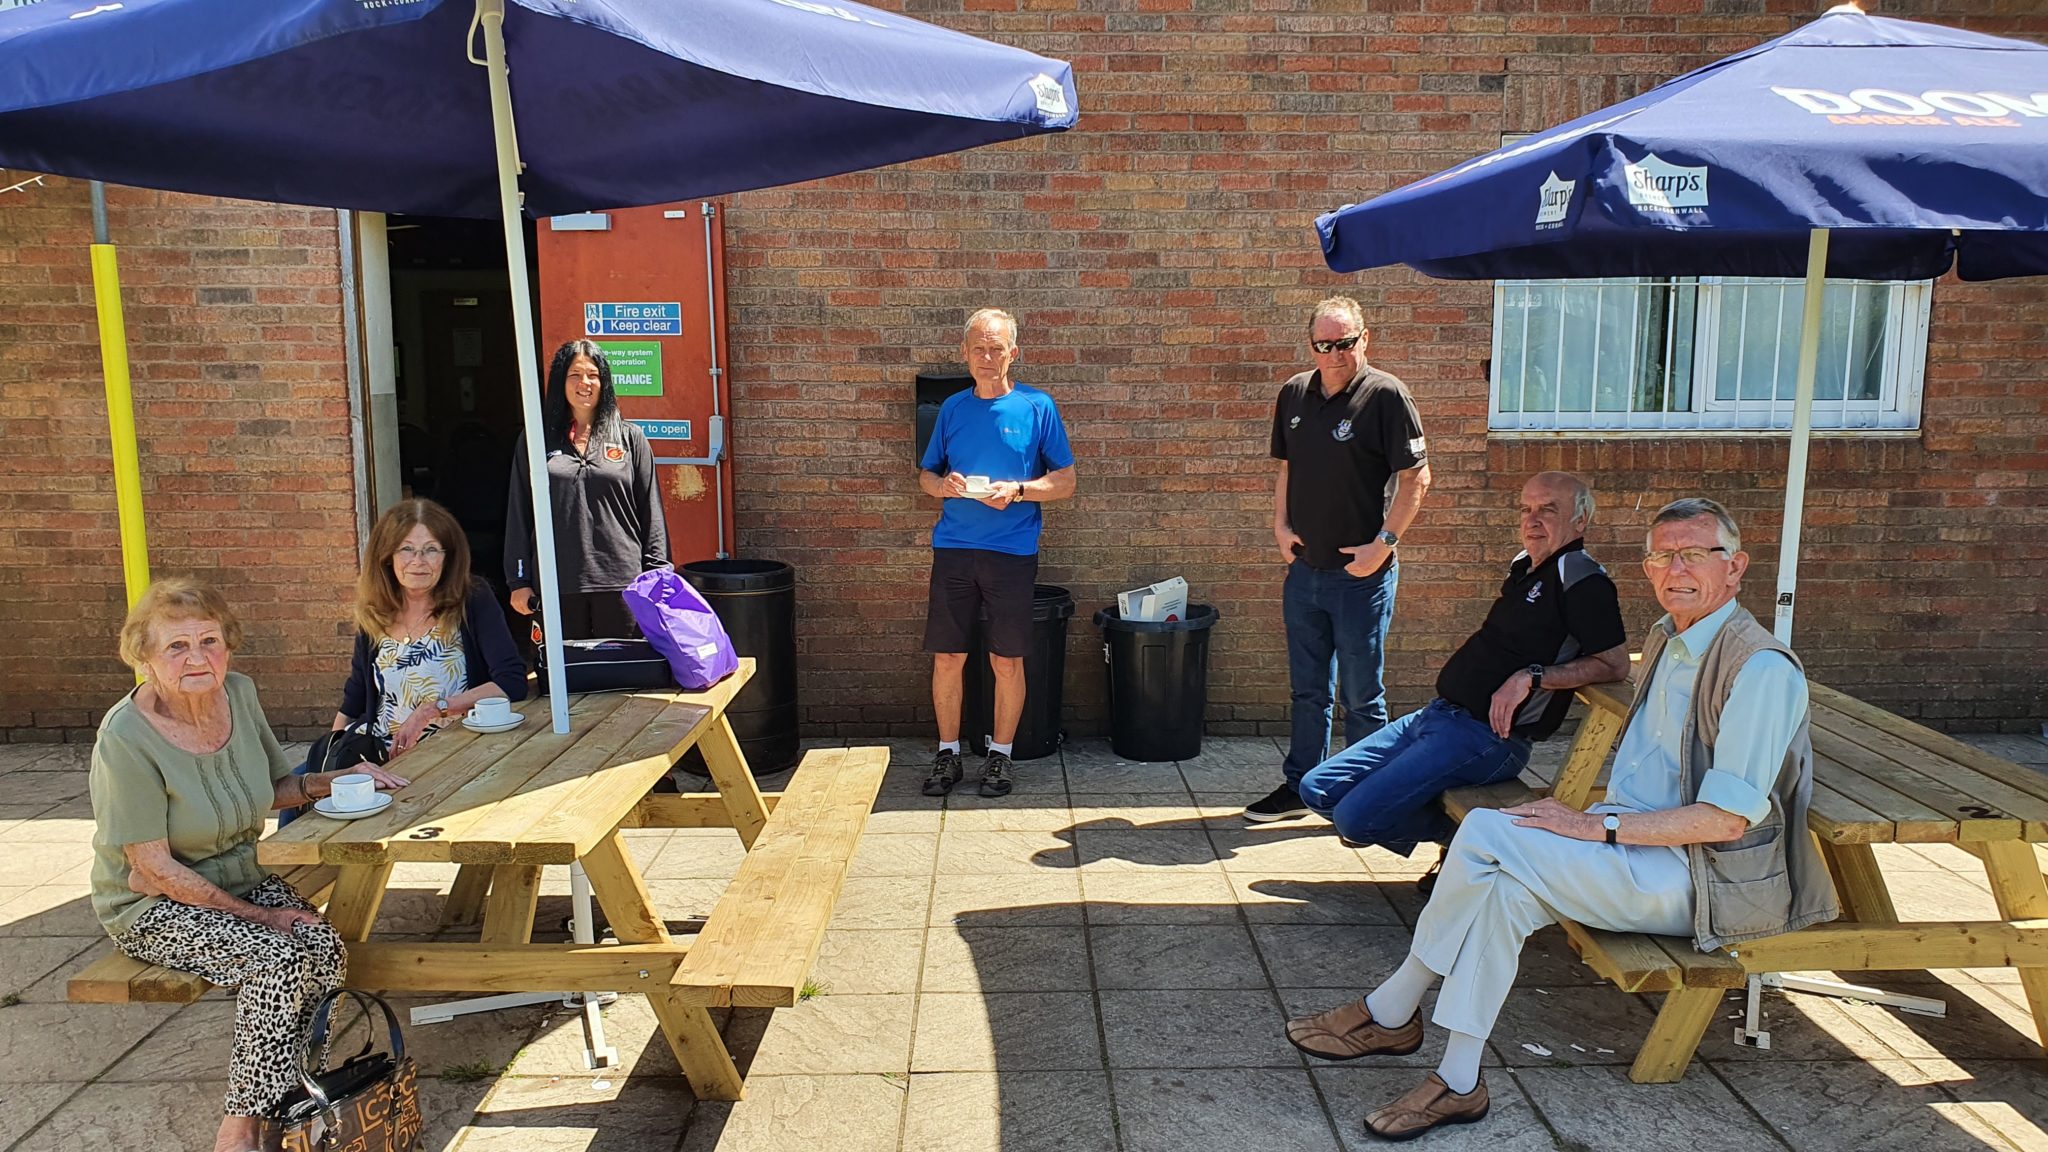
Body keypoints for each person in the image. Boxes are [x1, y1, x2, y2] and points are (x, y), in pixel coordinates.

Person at [1284, 498, 1838, 1141]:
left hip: (1698, 879)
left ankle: (1395, 1005)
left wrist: (1595, 828)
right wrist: (1598, 821)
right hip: (1631, 846)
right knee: (1500, 891)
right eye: (1661, 555)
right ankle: (1459, 1080)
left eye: (1694, 554)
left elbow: (1724, 822)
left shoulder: (1760, 668)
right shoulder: (1668, 637)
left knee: (1488, 829)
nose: (1674, 568)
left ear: (1735, 567)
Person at [89, 578, 408, 1152]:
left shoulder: (237, 692)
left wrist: (334, 781)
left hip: (238, 876)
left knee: (323, 944)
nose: (197, 658)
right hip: (152, 902)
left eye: (209, 641)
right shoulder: (126, 738)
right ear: (145, 657)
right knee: (277, 958)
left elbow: (271, 788)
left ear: (229, 647)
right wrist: (260, 918)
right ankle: (240, 1130)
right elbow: (152, 868)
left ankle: (297, 1095)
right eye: (176, 646)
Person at [1297, 472, 1630, 879]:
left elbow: (1615, 664)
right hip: (1437, 717)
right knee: (1317, 788)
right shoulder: (1525, 566)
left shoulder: (1582, 577)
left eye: (1548, 510)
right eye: (1526, 509)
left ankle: (1473, 840)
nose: (1532, 520)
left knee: (1355, 819)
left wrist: (1533, 675)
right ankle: (1459, 835)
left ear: (1580, 522)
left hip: (1487, 738)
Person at [1246, 295, 1431, 822]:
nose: (1335, 354)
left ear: (1364, 339)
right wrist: (1280, 528)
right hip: (1304, 573)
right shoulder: (1294, 394)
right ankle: (1300, 788)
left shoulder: (1387, 395)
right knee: (1308, 691)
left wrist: (1384, 545)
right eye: (1324, 345)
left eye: (1345, 342)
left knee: (1362, 697)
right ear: (1312, 346)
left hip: (1360, 579)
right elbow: (1286, 469)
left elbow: (1418, 475)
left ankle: (1365, 797)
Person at [282, 499, 528, 824]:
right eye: (406, 550)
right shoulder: (376, 611)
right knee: (297, 797)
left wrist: (434, 708)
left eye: (431, 550)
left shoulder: (472, 600)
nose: (418, 561)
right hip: (377, 751)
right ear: (387, 557)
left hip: (447, 750)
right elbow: (355, 696)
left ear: (448, 557)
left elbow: (511, 682)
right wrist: (333, 759)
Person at [918, 307, 1076, 799]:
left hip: (1011, 552)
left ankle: (1000, 758)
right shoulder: (952, 410)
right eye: (979, 349)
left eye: (997, 348)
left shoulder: (1036, 406)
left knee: (1007, 660)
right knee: (948, 656)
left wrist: (1022, 490)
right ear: (965, 355)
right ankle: (948, 754)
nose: (988, 357)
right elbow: (926, 478)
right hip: (955, 549)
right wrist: (944, 485)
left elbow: (1066, 482)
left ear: (1014, 353)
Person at [505, 339, 669, 639]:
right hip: (557, 583)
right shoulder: (536, 441)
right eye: (575, 375)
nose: (585, 383)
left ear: (604, 381)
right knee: (563, 680)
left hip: (623, 584)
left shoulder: (630, 438)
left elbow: (651, 513)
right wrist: (519, 581)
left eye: (593, 374)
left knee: (625, 678)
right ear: (560, 382)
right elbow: (519, 513)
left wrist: (658, 575)